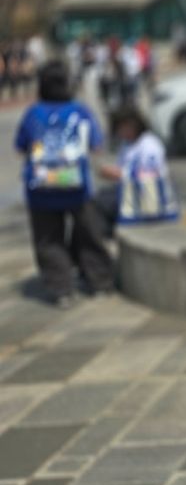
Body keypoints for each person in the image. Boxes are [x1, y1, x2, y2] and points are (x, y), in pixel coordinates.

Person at [14, 60, 114, 307]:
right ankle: (99, 281)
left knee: (48, 239)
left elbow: (20, 146)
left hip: (41, 190)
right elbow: (96, 144)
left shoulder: (32, 113)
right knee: (89, 234)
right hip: (77, 187)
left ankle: (61, 289)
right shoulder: (79, 111)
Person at [96, 105, 179, 234]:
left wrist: (118, 174)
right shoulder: (127, 145)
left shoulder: (150, 145)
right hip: (130, 192)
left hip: (148, 197)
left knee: (101, 202)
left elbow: (149, 176)